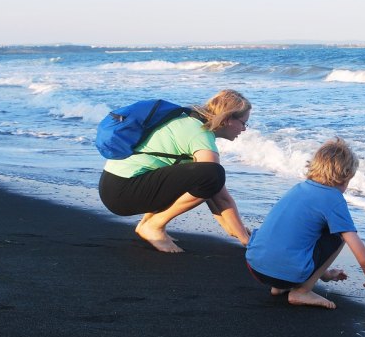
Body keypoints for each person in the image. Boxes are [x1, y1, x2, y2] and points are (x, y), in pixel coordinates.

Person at [98, 89, 252, 253]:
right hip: (123, 192)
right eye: (244, 123)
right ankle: (154, 226)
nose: (244, 129)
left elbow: (211, 192)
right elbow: (217, 190)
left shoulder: (187, 120)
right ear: (227, 119)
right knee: (213, 173)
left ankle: (149, 224)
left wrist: (233, 229)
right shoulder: (200, 134)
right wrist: (245, 239)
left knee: (203, 175)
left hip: (113, 185)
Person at [245, 137, 365, 309]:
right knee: (339, 236)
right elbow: (364, 257)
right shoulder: (334, 199)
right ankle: (302, 291)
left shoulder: (298, 188)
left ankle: (280, 287)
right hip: (284, 273)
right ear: (346, 177)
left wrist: (326, 275)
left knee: (301, 232)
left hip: (255, 266)